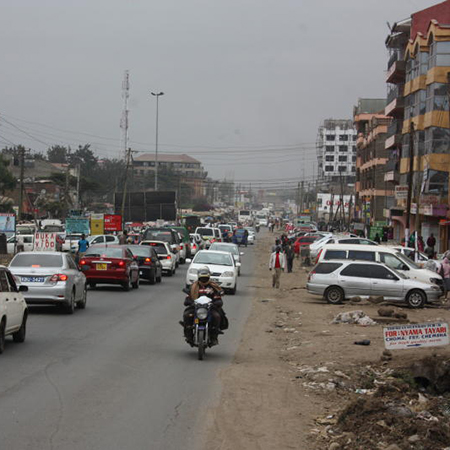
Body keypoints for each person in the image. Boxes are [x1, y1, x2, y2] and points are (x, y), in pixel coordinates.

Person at [181, 267, 225, 346]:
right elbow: (188, 298)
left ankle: (214, 337)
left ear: (208, 278)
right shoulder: (193, 287)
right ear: (199, 278)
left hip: (209, 308)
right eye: (202, 278)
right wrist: (190, 302)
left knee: (217, 316)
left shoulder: (213, 287)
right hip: (196, 308)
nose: (204, 280)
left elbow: (218, 298)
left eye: (205, 278)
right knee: (187, 315)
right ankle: (189, 336)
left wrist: (216, 302)